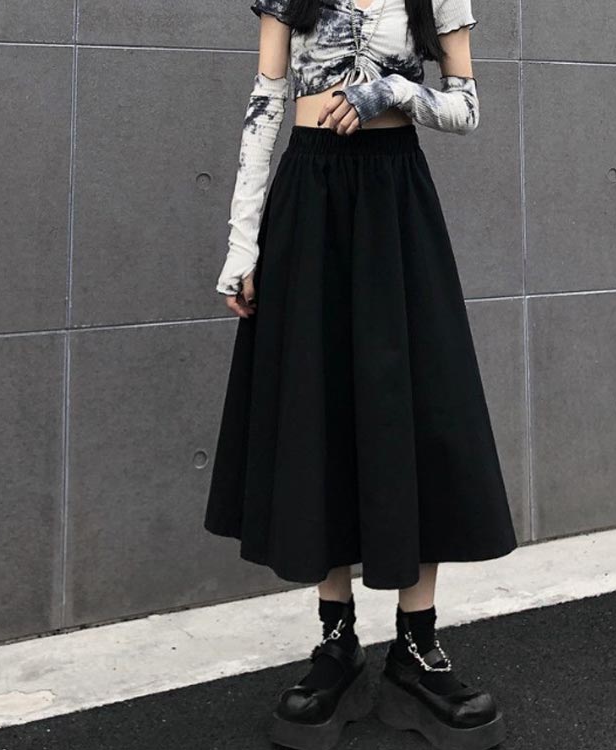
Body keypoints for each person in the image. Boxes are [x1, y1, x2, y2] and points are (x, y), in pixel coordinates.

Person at [204, 0, 519, 747]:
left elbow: (467, 109)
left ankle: (416, 647)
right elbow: (266, 102)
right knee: (318, 403)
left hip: (395, 200)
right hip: (309, 199)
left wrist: (394, 91)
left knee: (417, 405)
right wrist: (243, 243)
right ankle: (336, 642)